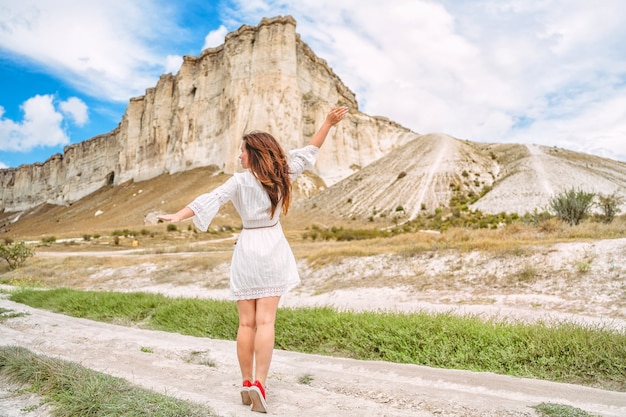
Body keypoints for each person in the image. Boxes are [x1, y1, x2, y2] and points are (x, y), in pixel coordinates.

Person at [157, 106, 348, 413]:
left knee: (246, 323)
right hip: (272, 247)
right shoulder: (282, 176)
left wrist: (178, 215)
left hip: (247, 249)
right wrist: (327, 122)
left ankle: (246, 383)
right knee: (266, 322)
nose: (239, 156)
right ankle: (260, 384)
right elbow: (311, 150)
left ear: (253, 153)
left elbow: (210, 200)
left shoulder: (238, 182)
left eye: (242, 151)